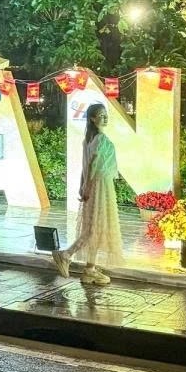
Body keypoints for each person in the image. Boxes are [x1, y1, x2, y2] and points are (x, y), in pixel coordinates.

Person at [53, 103, 123, 286]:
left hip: (96, 185)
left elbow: (85, 165)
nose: (105, 118)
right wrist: (87, 185)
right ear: (92, 118)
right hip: (100, 186)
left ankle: (90, 269)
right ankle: (66, 254)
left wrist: (83, 185)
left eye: (106, 115)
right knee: (93, 229)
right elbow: (91, 164)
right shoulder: (99, 139)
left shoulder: (88, 140)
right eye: (101, 115)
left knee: (95, 228)